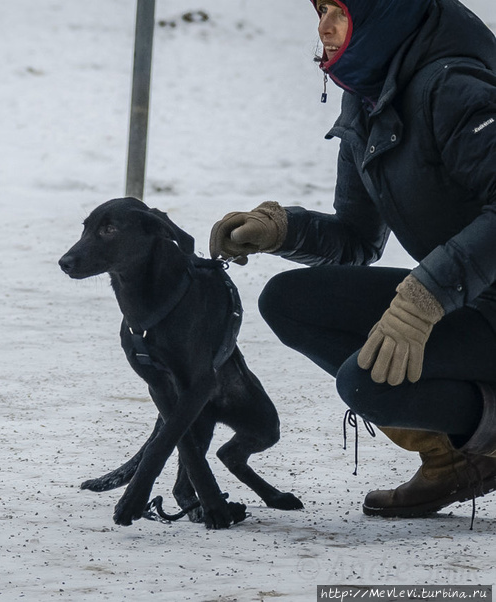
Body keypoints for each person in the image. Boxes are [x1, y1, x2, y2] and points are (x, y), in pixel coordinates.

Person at [209, 0, 496, 518]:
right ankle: (453, 459)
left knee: (365, 382)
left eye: (340, 10)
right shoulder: (370, 98)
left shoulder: (454, 87)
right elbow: (359, 240)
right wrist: (282, 230)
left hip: (473, 300)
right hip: (468, 297)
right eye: (320, 9)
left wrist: (423, 299)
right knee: (288, 301)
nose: (324, 27)